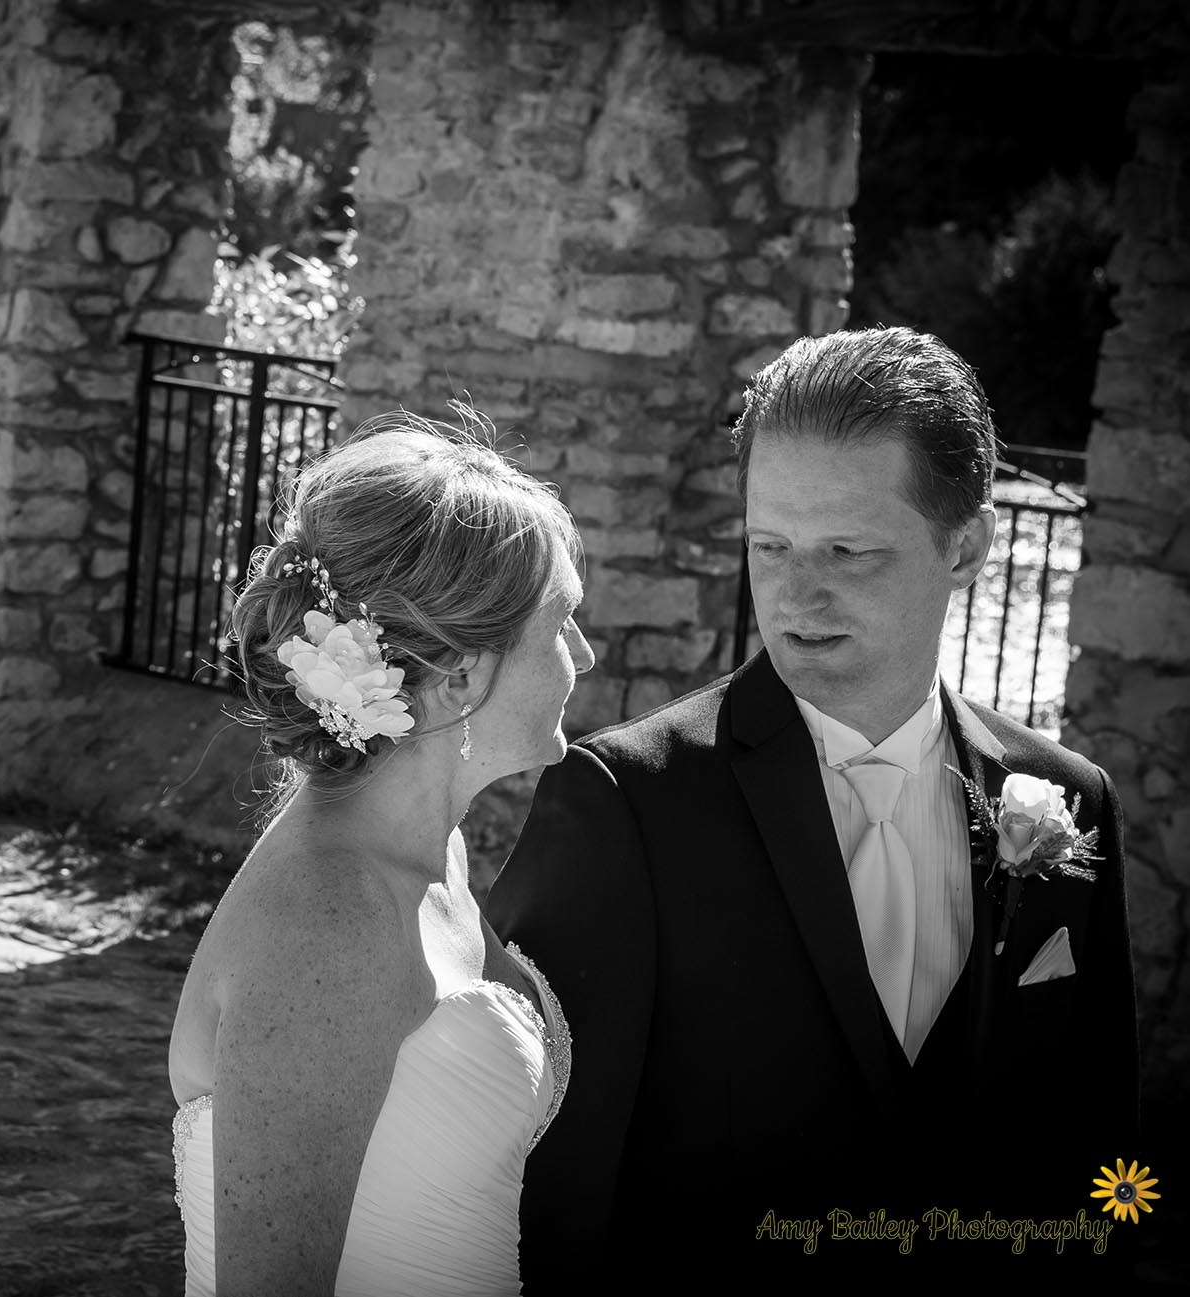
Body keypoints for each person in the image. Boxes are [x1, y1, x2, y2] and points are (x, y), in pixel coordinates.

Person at [488, 326, 1139, 1283]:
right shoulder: (625, 804)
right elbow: (549, 1191)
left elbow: (1100, 1149)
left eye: (847, 549)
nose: (796, 593)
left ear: (965, 547)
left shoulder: (1069, 798)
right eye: (771, 545)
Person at [167, 413, 594, 1294]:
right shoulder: (331, 921)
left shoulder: (426, 851)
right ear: (461, 674)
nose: (582, 656)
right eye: (560, 624)